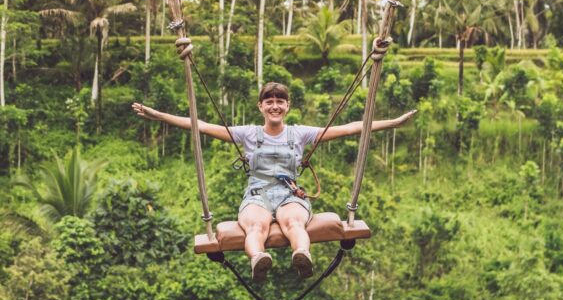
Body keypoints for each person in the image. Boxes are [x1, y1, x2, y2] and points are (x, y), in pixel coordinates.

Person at [132, 82, 414, 281]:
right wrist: (159, 116)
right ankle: (258, 259)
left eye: (280, 102)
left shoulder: (300, 134)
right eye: (270, 101)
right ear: (261, 106)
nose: (275, 106)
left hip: (290, 193)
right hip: (257, 192)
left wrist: (392, 123)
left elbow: (352, 127)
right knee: (257, 225)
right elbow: (200, 125)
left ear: (288, 106)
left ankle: (301, 255)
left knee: (294, 223)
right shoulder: (247, 134)